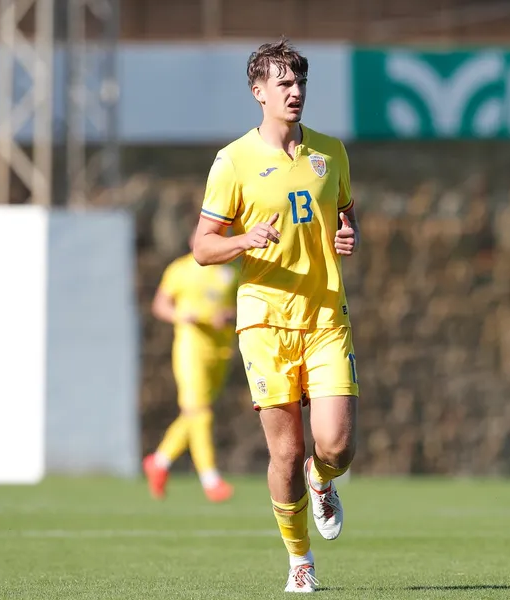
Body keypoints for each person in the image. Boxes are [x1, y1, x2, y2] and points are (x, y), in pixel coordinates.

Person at [192, 37, 360, 593]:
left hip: (325, 315)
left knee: (336, 445)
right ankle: (299, 560)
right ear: (258, 91)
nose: (295, 92)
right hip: (264, 322)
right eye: (283, 83)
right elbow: (202, 246)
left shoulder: (331, 153)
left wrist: (350, 234)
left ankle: (323, 479)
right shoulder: (232, 161)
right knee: (285, 453)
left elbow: (345, 214)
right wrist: (243, 240)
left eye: (300, 82)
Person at [142, 228, 239, 503]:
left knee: (194, 414)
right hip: (190, 349)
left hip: (220, 350)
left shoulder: (231, 270)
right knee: (201, 413)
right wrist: (180, 315)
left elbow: (244, 305)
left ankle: (159, 461)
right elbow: (160, 305)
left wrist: (229, 315)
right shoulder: (180, 269)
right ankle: (211, 479)